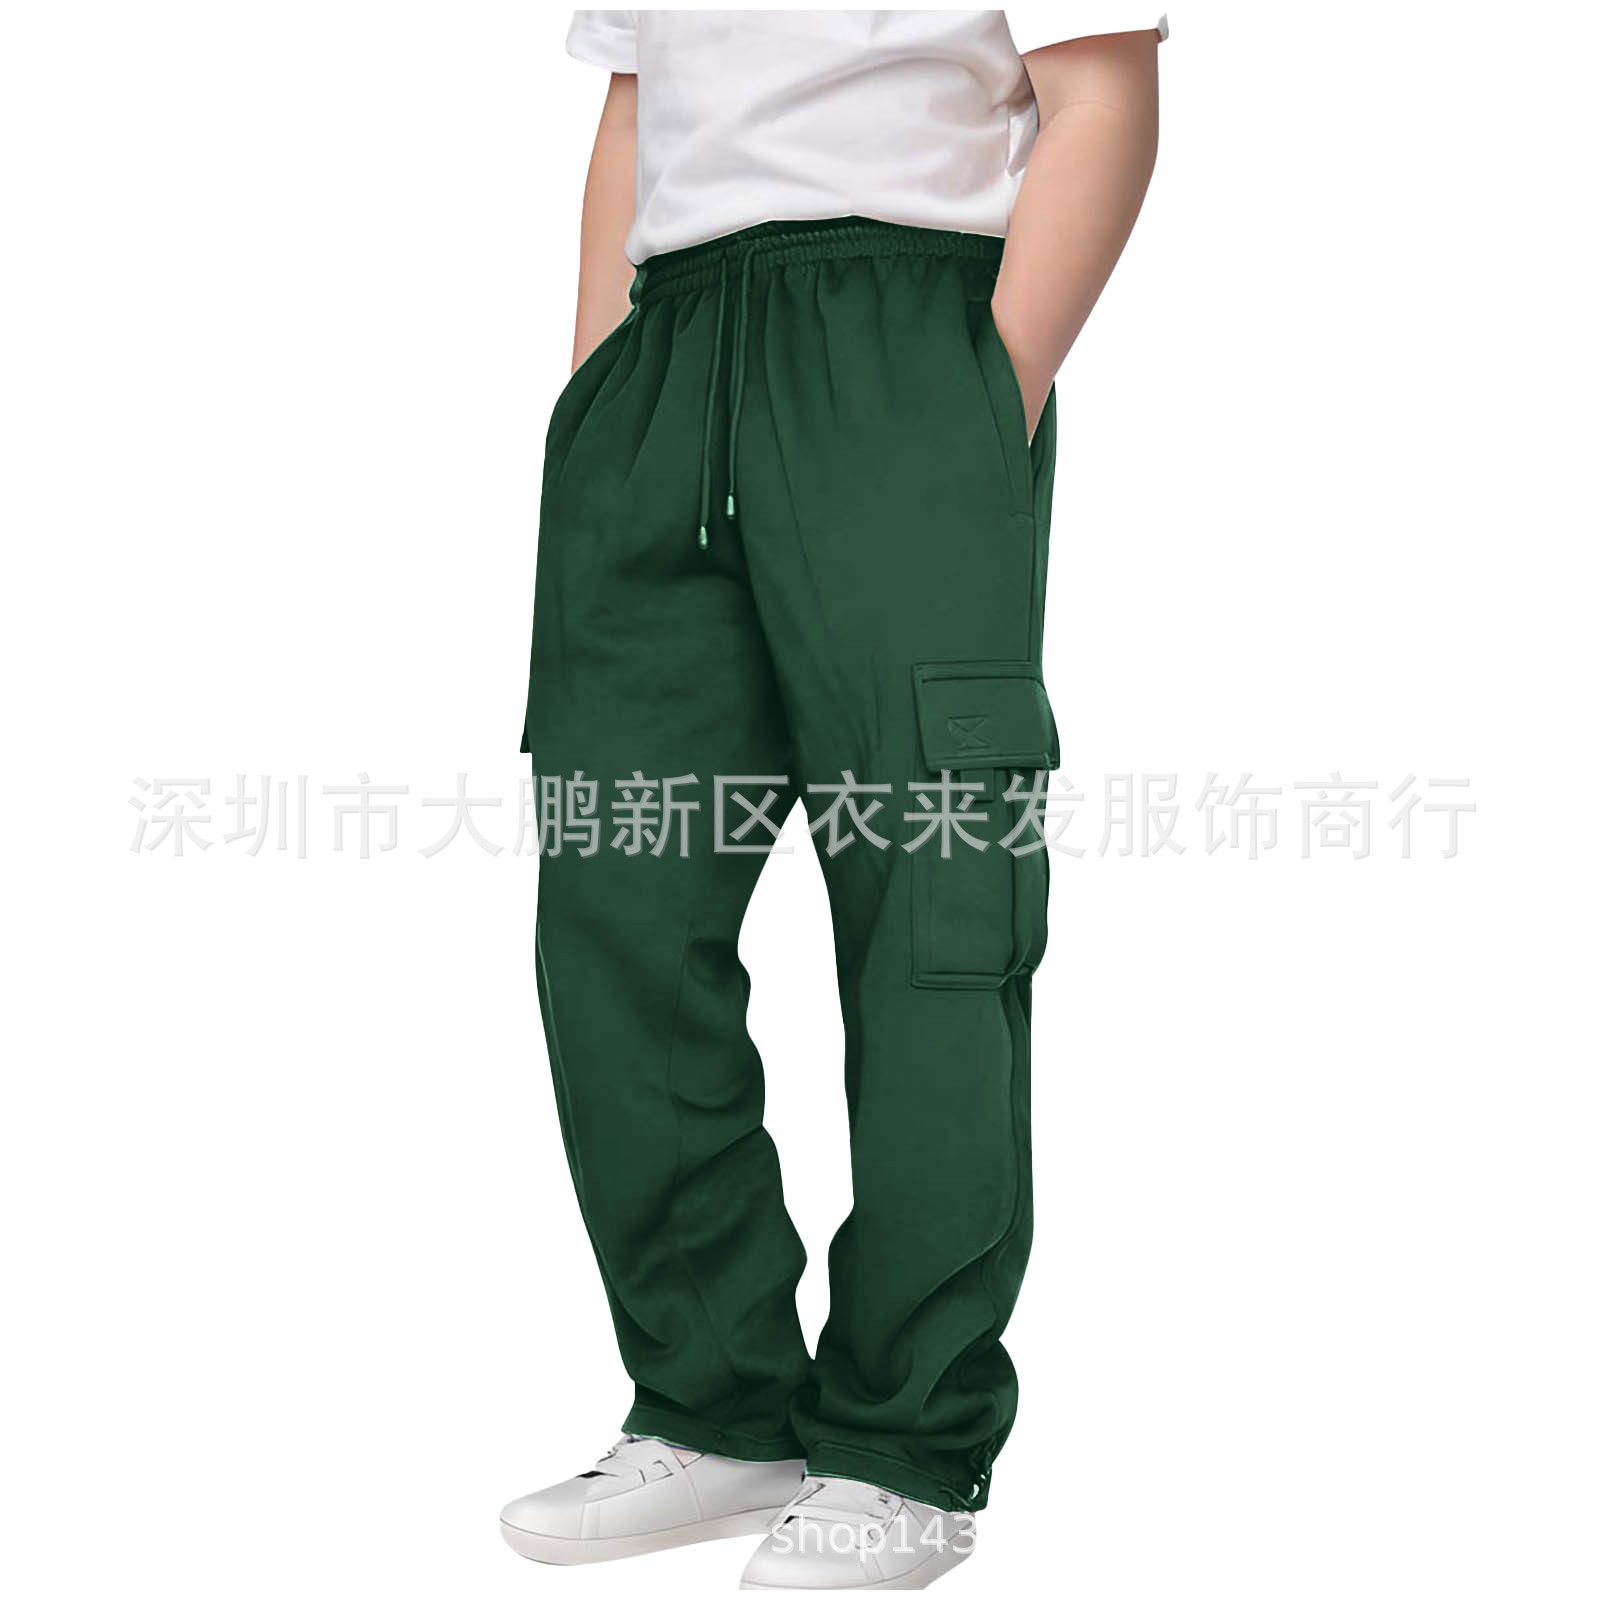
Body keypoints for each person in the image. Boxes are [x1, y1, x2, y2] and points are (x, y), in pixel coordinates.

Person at [503, 9, 1165, 1589]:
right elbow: (634, 106)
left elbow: (1099, 94)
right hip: (667, 354)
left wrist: (983, 394)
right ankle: (716, 1403)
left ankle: (906, 1445)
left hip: (902, 333)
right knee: (616, 905)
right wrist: (597, 392)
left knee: (933, 912)